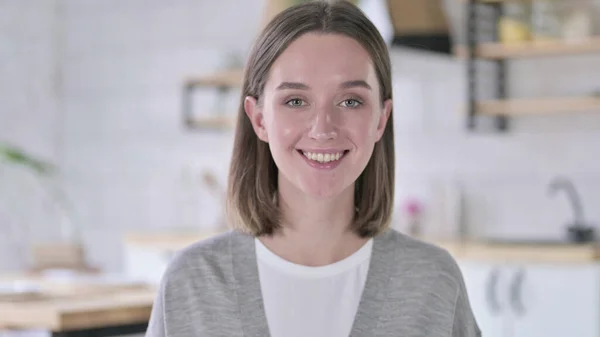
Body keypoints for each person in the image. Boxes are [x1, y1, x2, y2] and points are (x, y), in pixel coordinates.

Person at [145, 1, 481, 336]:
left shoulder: (433, 282)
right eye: (295, 101)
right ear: (259, 118)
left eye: (350, 101)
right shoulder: (190, 285)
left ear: (381, 118)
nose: (323, 128)